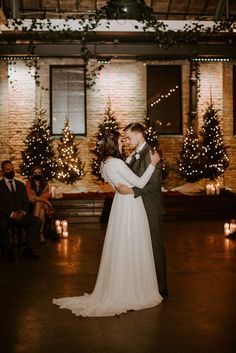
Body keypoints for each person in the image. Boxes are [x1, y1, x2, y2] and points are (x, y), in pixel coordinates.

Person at [53, 131, 163, 317]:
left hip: (120, 204)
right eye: (121, 141)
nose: (124, 144)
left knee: (122, 245)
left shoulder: (105, 164)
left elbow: (121, 180)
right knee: (132, 244)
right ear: (113, 143)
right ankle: (132, 289)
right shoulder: (117, 163)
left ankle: (122, 284)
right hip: (130, 205)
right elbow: (140, 183)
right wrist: (152, 165)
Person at [116, 122, 168, 298]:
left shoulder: (151, 153)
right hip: (138, 208)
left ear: (139, 135)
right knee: (142, 248)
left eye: (129, 137)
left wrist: (131, 190)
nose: (128, 141)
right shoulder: (136, 154)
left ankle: (161, 288)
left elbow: (154, 185)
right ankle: (147, 285)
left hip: (151, 208)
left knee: (155, 247)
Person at [0, 160, 42, 260]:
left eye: (12, 168)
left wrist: (23, 212)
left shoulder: (20, 185)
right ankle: (8, 251)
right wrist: (11, 214)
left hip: (21, 215)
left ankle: (28, 248)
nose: (11, 171)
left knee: (37, 221)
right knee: (1, 225)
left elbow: (26, 202)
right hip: (7, 217)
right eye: (8, 169)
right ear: (2, 172)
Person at [25, 166, 54, 242]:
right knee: (39, 205)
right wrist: (46, 201)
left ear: (42, 174)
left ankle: (34, 232)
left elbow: (46, 195)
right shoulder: (28, 184)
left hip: (42, 206)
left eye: (39, 173)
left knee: (39, 205)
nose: (37, 174)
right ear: (32, 174)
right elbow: (31, 199)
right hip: (31, 207)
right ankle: (40, 234)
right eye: (35, 173)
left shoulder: (45, 184)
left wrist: (39, 199)